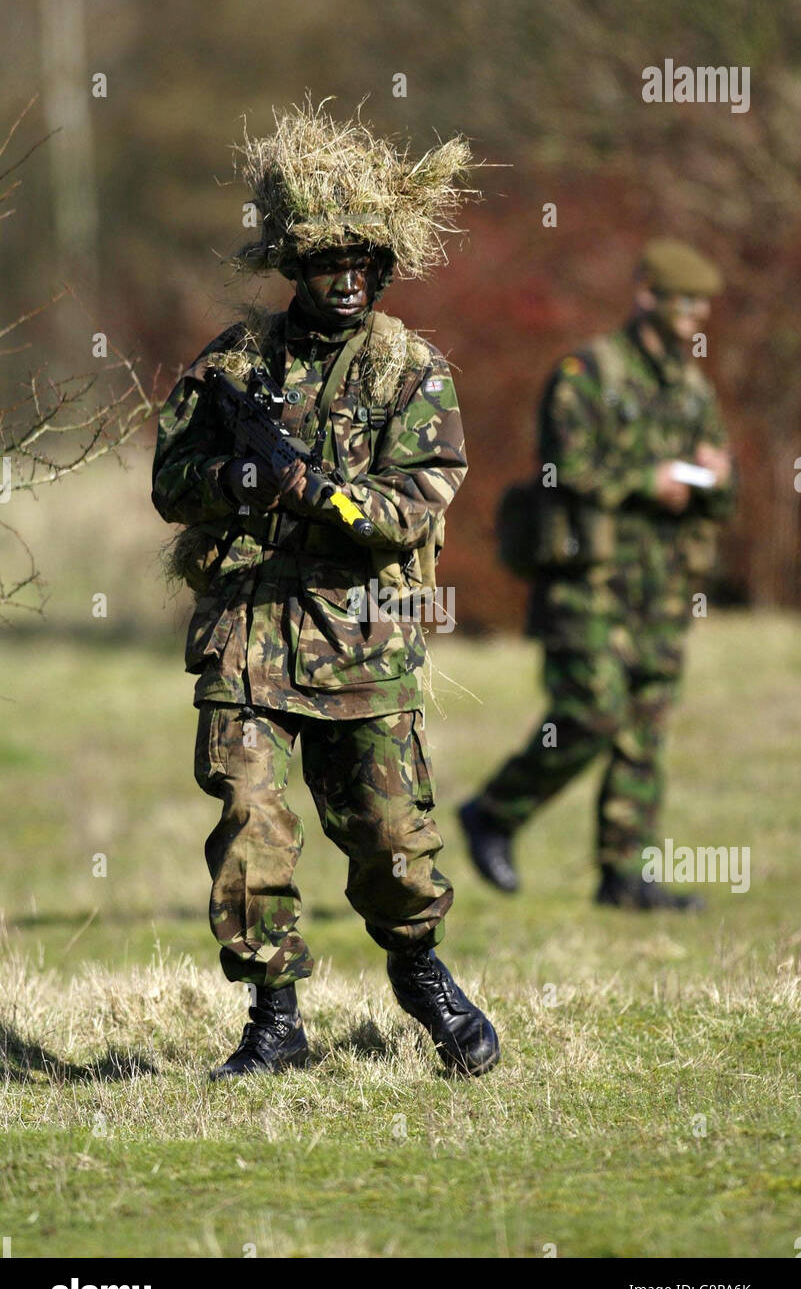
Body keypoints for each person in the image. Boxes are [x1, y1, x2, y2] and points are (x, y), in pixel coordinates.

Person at [152, 102, 500, 1078]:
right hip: (250, 638)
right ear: (293, 267)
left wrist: (321, 494)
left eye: (361, 263)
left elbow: (413, 505)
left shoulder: (409, 372)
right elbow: (170, 483)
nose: (344, 280)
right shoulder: (234, 365)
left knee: (393, 847)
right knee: (249, 826)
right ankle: (275, 1015)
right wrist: (240, 479)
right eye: (324, 264)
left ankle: (420, 969)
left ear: (383, 268)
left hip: (366, 638)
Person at [460, 239, 735, 910]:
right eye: (684, 303)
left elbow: (721, 495)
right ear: (648, 296)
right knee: (591, 714)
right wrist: (652, 479)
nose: (695, 317)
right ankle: (494, 812)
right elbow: (565, 471)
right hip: (588, 583)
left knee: (644, 729)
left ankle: (624, 876)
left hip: (662, 588)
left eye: (701, 306)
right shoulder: (589, 372)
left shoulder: (691, 389)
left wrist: (716, 477)